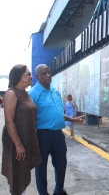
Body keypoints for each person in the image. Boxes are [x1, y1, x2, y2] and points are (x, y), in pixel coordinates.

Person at [29, 64, 85, 195]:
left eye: (49, 72)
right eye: (44, 73)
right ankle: (43, 193)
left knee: (61, 164)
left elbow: (58, 113)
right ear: (37, 77)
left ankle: (59, 190)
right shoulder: (33, 94)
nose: (48, 75)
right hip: (42, 135)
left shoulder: (55, 91)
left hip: (58, 135)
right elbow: (29, 118)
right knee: (41, 167)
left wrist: (73, 120)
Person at [1, 64, 42, 195]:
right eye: (28, 74)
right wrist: (18, 145)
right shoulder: (12, 93)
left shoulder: (26, 94)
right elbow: (9, 120)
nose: (31, 77)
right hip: (16, 140)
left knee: (22, 172)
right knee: (17, 174)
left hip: (26, 138)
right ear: (19, 76)